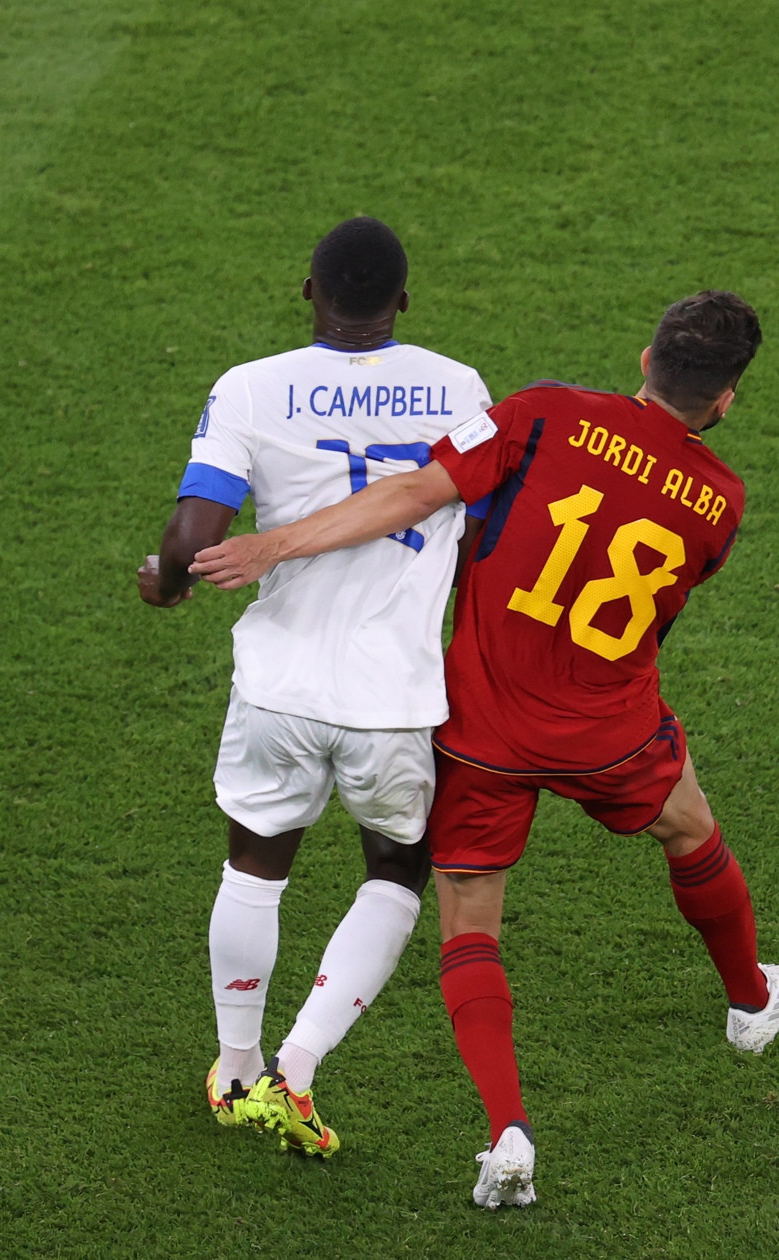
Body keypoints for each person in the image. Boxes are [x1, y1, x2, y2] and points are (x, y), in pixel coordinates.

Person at [191, 290, 779, 1208]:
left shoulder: (543, 414)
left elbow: (418, 493)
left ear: (645, 358)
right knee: (692, 832)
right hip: (611, 731)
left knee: (469, 922)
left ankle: (508, 1133)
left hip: (483, 733)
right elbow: (660, 615)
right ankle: (751, 1003)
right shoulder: (721, 501)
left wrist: (275, 545)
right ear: (727, 401)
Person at [138, 216, 493, 1158]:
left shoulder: (251, 387)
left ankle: (237, 1066)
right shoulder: (459, 388)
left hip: (280, 687)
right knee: (397, 871)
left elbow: (191, 535)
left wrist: (167, 585)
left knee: (254, 867)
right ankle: (298, 1066)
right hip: (398, 701)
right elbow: (487, 530)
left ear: (309, 291)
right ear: (404, 301)